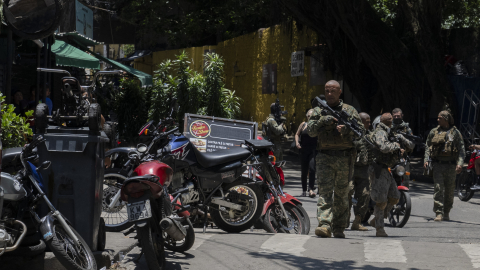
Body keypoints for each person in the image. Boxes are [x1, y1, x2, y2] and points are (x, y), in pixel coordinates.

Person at [307, 80, 364, 238]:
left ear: (340, 93)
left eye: (333, 91)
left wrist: (347, 131)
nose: (329, 94)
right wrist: (322, 121)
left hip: (344, 158)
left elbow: (361, 134)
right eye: (327, 91)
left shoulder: (350, 111)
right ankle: (325, 225)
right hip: (324, 157)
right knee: (325, 192)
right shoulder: (319, 110)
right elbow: (310, 131)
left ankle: (339, 227)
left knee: (341, 194)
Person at [369, 113, 414, 237]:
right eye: (389, 118)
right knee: (381, 201)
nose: (391, 119)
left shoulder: (391, 132)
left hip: (387, 169)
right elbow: (383, 147)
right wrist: (396, 146)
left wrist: (402, 145)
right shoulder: (380, 132)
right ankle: (380, 229)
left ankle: (377, 219)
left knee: (395, 197)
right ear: (383, 121)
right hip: (379, 168)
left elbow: (411, 145)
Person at [423, 110, 465, 221]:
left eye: (439, 118)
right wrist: (426, 160)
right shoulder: (434, 131)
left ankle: (446, 212)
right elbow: (428, 146)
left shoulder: (455, 133)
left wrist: (460, 164)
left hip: (451, 166)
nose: (437, 120)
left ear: (446, 119)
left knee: (450, 190)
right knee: (438, 188)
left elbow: (461, 149)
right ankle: (438, 213)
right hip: (438, 165)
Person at [348, 112, 373, 231]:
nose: (370, 123)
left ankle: (357, 222)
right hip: (350, 168)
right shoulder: (351, 132)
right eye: (368, 121)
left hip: (364, 170)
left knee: (364, 195)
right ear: (362, 122)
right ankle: (342, 220)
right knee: (347, 192)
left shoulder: (369, 135)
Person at [295, 109, 317, 198]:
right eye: (308, 116)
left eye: (311, 116)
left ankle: (311, 189)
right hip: (303, 150)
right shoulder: (303, 124)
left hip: (313, 150)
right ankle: (304, 190)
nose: (310, 118)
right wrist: (297, 143)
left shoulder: (316, 125)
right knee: (304, 171)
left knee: (312, 169)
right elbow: (297, 134)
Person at [392, 108, 414, 188]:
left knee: (405, 181)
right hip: (391, 158)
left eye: (398, 116)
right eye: (395, 116)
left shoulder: (407, 129)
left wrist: (403, 139)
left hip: (403, 158)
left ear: (402, 116)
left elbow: (412, 145)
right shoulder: (388, 128)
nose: (397, 117)